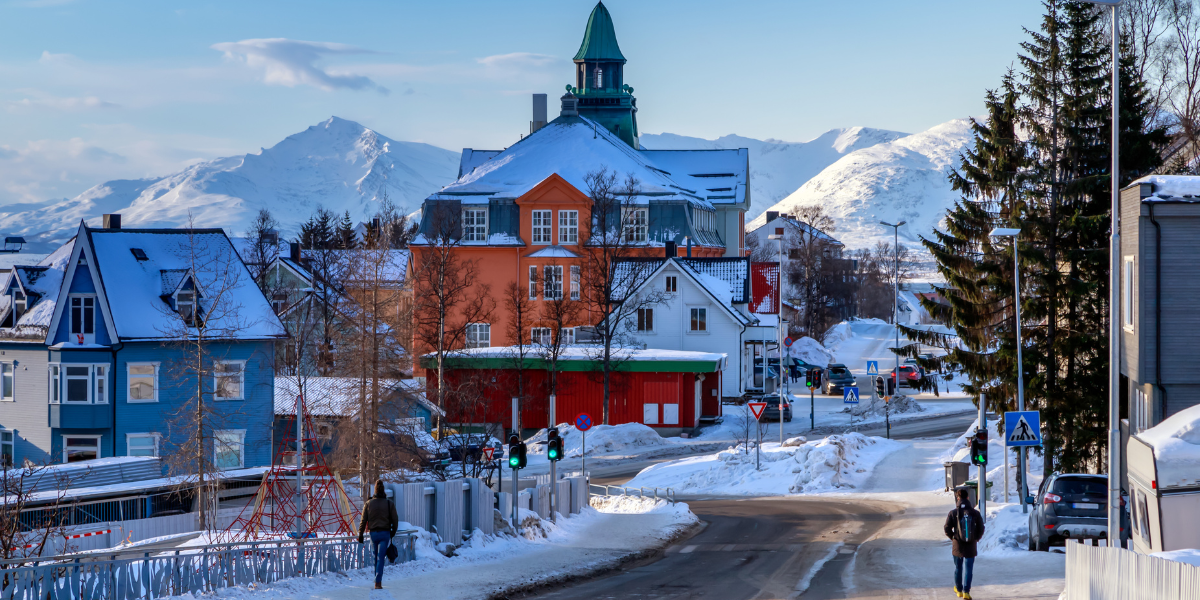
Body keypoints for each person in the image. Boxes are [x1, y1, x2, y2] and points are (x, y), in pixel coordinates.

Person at [943, 488, 985, 599]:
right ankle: (966, 591)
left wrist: (953, 537)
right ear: (967, 498)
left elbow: (947, 528)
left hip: (958, 545)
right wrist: (976, 538)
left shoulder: (953, 513)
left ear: (957, 498)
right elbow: (981, 527)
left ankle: (959, 589)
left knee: (958, 568)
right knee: (969, 568)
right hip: (971, 545)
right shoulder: (974, 513)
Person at [358, 480, 399, 590]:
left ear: (374, 490)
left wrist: (360, 534)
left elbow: (363, 520)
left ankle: (377, 580)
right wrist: (393, 532)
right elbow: (395, 520)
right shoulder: (389, 504)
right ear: (383, 490)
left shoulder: (368, 504)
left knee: (376, 557)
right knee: (381, 558)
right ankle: (378, 582)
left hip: (373, 534)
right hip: (385, 533)